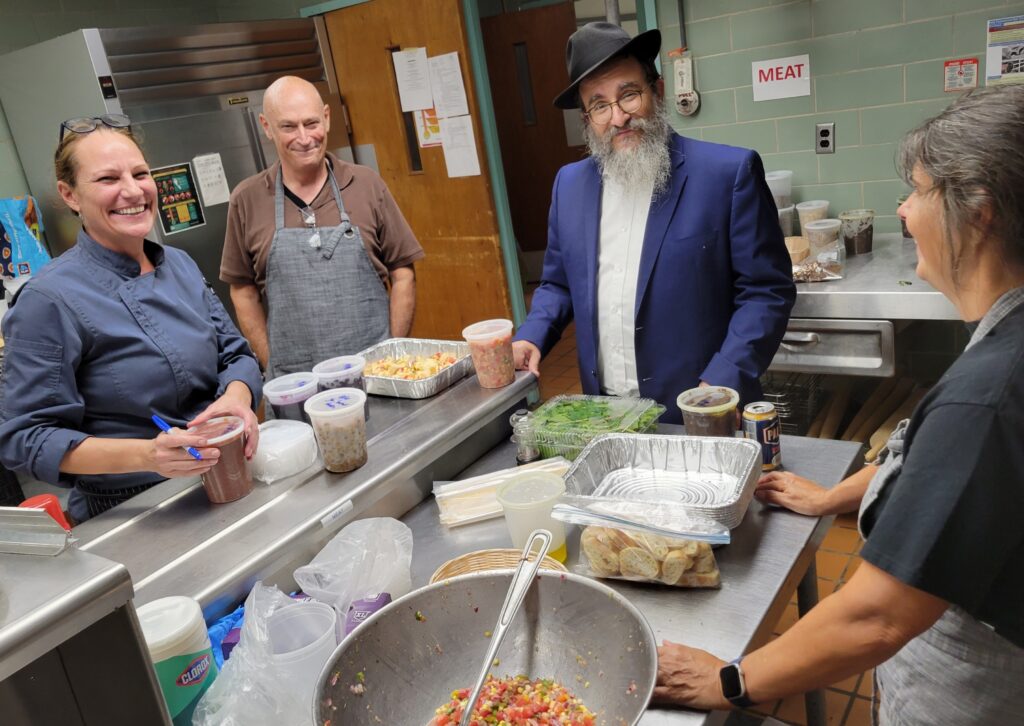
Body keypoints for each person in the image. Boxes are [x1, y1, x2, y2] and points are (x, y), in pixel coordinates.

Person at [655, 86, 1024, 723]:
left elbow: (878, 616)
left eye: (916, 190)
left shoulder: (986, 397)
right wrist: (831, 498)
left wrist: (731, 681)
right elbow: (951, 478)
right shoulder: (1000, 360)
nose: (904, 211)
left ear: (981, 212)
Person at [512, 23, 794, 422]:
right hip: (607, 415)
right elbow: (558, 284)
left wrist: (723, 377)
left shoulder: (727, 174)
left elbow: (766, 290)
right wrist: (532, 334)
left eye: (629, 95)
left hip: (704, 409)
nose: (618, 117)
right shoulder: (569, 186)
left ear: (657, 91)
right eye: (599, 105)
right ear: (587, 117)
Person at [0, 116, 263, 523]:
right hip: (131, 510)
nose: (132, 190)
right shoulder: (47, 300)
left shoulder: (178, 264)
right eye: (108, 179)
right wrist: (149, 455)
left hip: (222, 475)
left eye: (140, 174)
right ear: (69, 195)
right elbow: (26, 439)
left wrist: (235, 400)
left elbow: (236, 354)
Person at [221, 76, 425, 378]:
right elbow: (242, 292)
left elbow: (404, 274)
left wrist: (391, 353)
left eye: (311, 123)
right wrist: (274, 364)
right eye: (288, 127)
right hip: (297, 387)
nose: (304, 138)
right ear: (266, 127)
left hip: (376, 376)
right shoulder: (247, 199)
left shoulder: (366, 185)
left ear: (327, 119)